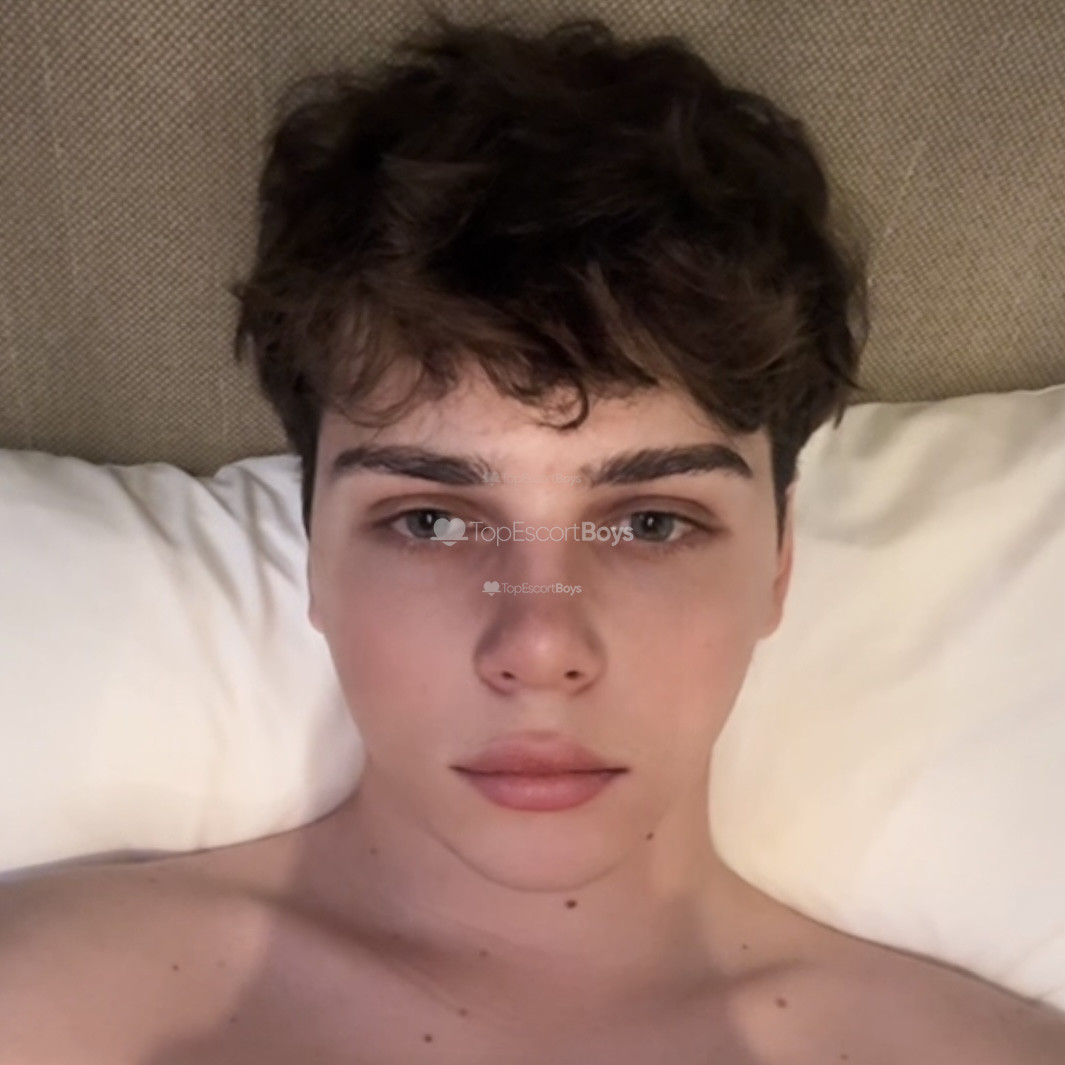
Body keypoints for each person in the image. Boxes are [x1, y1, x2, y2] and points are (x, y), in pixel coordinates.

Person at [2, 9, 1064, 1063]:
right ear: (316, 555)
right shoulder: (48, 1001)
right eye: (430, 520)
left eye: (651, 522)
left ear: (779, 565)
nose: (541, 644)